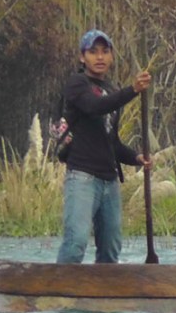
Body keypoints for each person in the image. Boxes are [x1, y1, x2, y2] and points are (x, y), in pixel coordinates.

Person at [56, 29, 152, 264]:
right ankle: (60, 288)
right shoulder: (76, 84)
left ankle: (104, 297)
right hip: (82, 177)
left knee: (111, 246)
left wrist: (136, 157)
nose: (99, 57)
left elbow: (112, 142)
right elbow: (94, 106)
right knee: (76, 239)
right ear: (82, 57)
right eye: (93, 52)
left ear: (111, 57)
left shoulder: (111, 89)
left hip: (109, 180)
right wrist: (132, 91)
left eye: (105, 52)